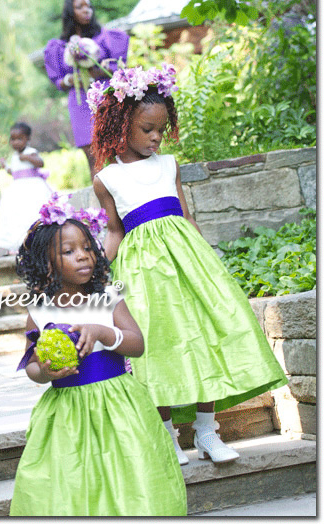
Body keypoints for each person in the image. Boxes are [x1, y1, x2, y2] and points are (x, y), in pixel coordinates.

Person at [90, 64, 288, 465]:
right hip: (142, 272)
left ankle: (206, 431)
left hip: (188, 263)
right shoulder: (107, 179)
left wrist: (207, 260)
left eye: (161, 128)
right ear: (121, 124)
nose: (156, 137)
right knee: (157, 345)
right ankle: (167, 434)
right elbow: (114, 231)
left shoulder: (169, 165)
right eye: (147, 128)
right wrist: (96, 273)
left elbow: (184, 213)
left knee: (205, 337)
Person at [8, 195, 187, 516]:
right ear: (47, 264)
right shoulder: (39, 310)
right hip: (67, 411)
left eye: (88, 248)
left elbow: (137, 344)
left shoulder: (107, 297)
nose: (83, 257)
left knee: (129, 469)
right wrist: (46, 372)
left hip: (119, 402)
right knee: (73, 476)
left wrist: (105, 333)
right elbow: (31, 366)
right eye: (69, 251)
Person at [44, 0, 130, 179]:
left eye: (89, 6)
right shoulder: (59, 46)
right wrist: (70, 78)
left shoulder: (105, 37)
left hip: (105, 96)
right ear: (70, 11)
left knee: (116, 150)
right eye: (80, 7)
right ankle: (102, 205)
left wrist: (96, 69)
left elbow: (118, 68)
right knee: (92, 156)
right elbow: (58, 81)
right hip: (79, 101)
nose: (86, 10)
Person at [0, 122, 52, 255]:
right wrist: (5, 167)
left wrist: (27, 157)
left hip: (32, 188)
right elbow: (14, 172)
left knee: (31, 213)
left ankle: (37, 243)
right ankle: (17, 244)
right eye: (13, 139)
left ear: (28, 139)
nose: (16, 143)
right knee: (16, 215)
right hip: (17, 189)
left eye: (20, 139)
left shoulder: (30, 152)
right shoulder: (14, 156)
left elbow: (40, 163)